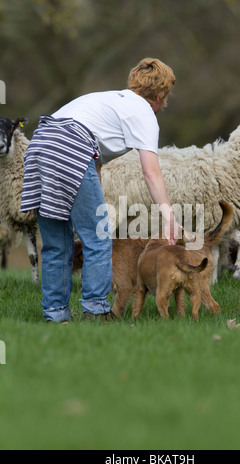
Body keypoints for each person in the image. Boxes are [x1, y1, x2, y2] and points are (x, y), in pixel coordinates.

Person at [20, 58, 180, 324]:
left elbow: (93, 162)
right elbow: (151, 172)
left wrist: (93, 204)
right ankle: (96, 311)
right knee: (99, 236)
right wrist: (169, 217)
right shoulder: (144, 113)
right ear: (160, 96)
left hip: (39, 145)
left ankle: (55, 315)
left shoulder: (105, 99)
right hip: (71, 147)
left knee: (56, 243)